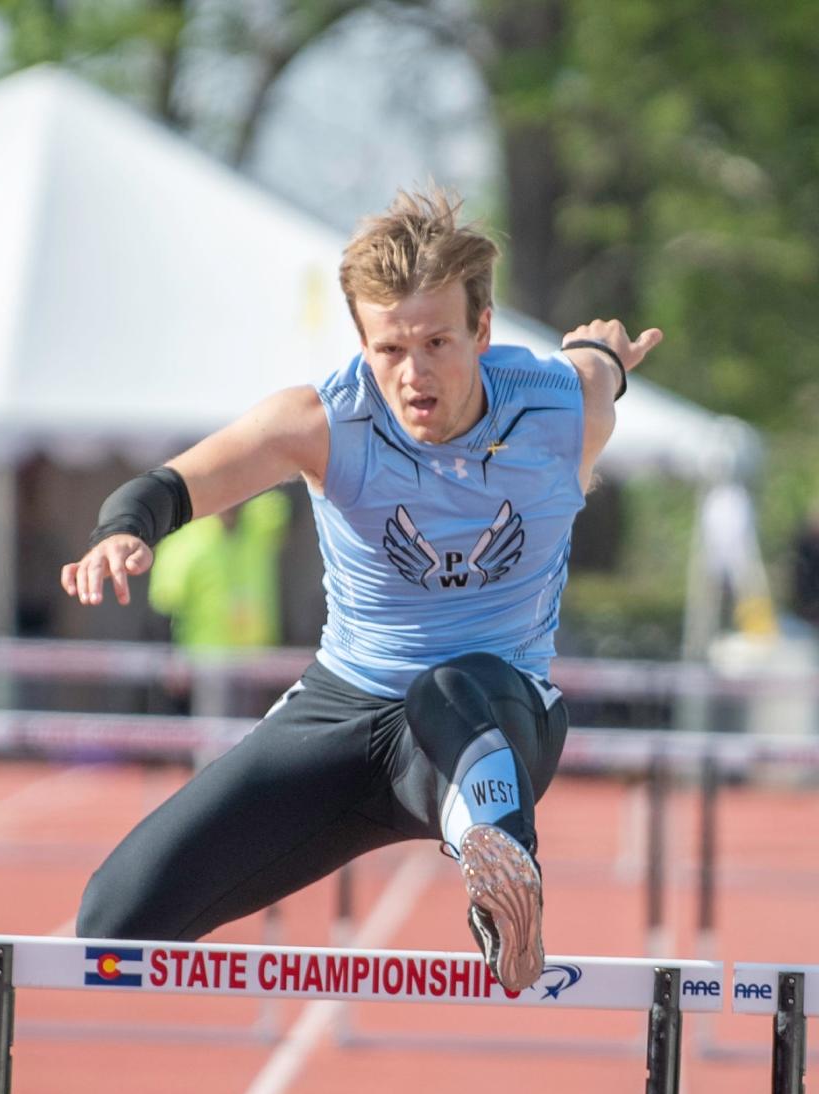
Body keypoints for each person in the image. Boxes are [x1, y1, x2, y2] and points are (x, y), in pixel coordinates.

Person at [61, 188, 662, 989]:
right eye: (389, 350)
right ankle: (482, 841)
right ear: (361, 343)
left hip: (497, 712)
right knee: (111, 930)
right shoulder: (324, 421)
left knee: (451, 686)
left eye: (439, 342)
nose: (415, 375)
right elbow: (173, 484)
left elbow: (596, 371)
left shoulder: (559, 412)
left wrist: (605, 359)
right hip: (345, 718)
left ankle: (501, 871)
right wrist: (122, 531)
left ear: (483, 331)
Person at [147, 489, 290, 649]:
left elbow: (282, 490)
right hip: (204, 660)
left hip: (259, 660)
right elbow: (164, 610)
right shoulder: (183, 542)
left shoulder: (260, 524)